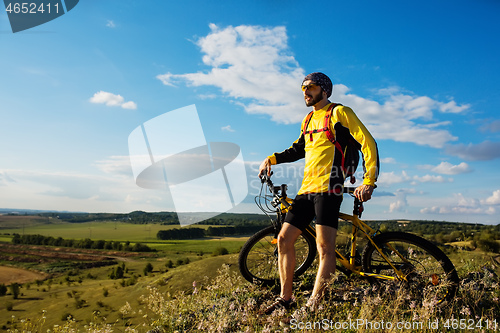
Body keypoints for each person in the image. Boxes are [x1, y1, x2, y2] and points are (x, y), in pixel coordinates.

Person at [258, 72, 379, 314]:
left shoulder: (340, 113)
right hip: (307, 189)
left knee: (324, 248)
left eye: (310, 87)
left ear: (324, 90)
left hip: (330, 188)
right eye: (303, 88)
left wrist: (369, 180)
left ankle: (314, 304)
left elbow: (368, 142)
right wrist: (271, 159)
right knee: (283, 240)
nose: (305, 91)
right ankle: (286, 299)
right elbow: (298, 149)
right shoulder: (308, 120)